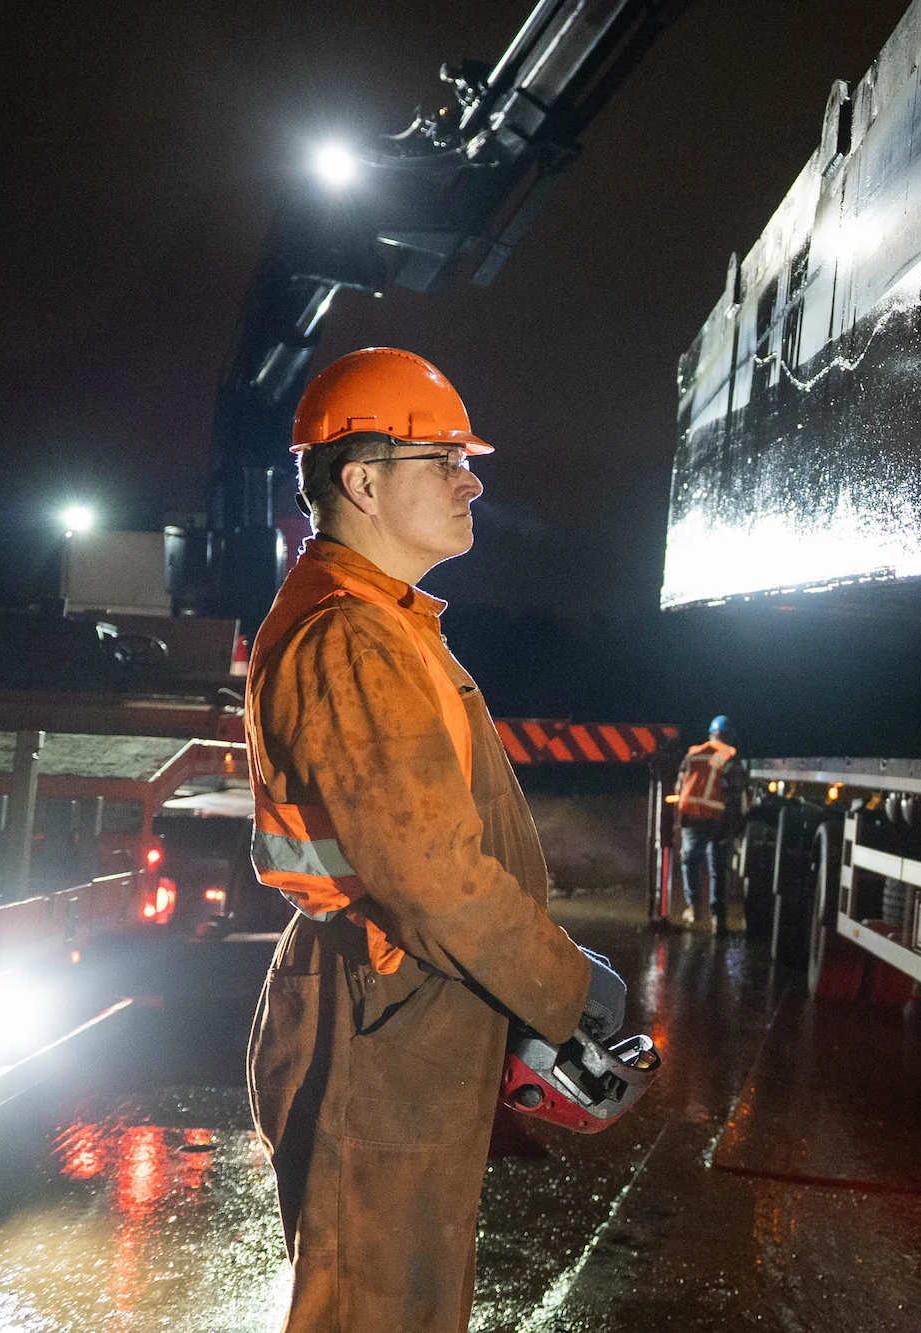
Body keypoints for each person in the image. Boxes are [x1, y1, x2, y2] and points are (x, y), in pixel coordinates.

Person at [243, 347, 628, 1333]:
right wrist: (566, 988)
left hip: (395, 1008)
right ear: (363, 482)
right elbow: (435, 877)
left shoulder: (387, 623)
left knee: (405, 1305)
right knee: (377, 1313)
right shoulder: (353, 637)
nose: (474, 478)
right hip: (376, 1015)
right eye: (443, 458)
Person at [674, 714, 744, 928]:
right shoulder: (730, 756)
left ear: (711, 734)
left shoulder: (694, 753)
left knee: (691, 862)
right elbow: (736, 791)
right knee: (719, 870)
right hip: (719, 820)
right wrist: (736, 824)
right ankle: (718, 919)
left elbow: (680, 785)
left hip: (693, 816)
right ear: (730, 736)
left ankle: (695, 908)